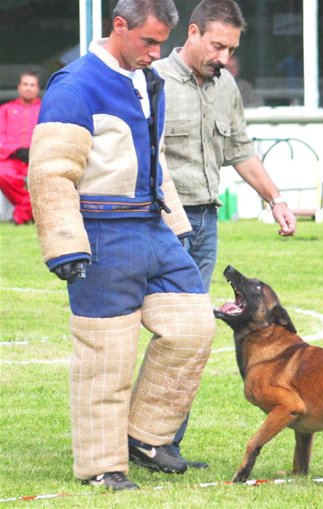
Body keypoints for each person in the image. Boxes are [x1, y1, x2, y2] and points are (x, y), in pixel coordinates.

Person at [28, 0, 216, 492]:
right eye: (148, 41)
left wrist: (175, 224)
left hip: (152, 229)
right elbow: (50, 172)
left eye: (161, 43)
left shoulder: (147, 81)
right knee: (106, 358)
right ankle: (101, 467)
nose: (156, 53)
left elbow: (153, 160)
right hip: (102, 233)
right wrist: (65, 244)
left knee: (194, 329)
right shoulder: (74, 85)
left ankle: (146, 438)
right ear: (118, 26)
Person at [153, 0, 296, 460]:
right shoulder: (152, 80)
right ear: (192, 33)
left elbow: (241, 149)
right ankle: (143, 440)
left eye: (230, 49)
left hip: (205, 223)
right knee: (169, 331)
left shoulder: (225, 85)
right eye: (217, 46)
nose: (224, 57)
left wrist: (275, 199)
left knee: (192, 334)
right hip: (158, 224)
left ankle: (162, 444)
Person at [0, 71, 41, 225]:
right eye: (25, 84)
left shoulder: (45, 109)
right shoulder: (5, 109)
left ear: (37, 89)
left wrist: (35, 151)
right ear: (19, 87)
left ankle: (20, 215)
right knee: (1, 172)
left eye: (32, 85)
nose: (28, 88)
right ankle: (27, 211)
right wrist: (17, 150)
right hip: (12, 159)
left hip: (37, 159)